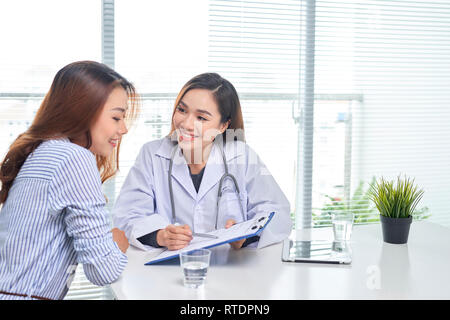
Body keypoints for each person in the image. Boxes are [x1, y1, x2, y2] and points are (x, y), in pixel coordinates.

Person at [0, 61, 139, 300]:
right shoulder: (73, 158)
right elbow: (102, 271)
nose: (124, 129)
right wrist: (117, 243)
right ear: (83, 113)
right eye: (116, 118)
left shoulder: (41, 151)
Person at [113, 72, 292, 252]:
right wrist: (160, 235)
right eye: (182, 110)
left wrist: (246, 235)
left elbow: (278, 214)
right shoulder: (152, 154)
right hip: (168, 271)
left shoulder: (242, 157)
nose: (187, 124)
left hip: (233, 271)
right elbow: (127, 216)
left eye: (201, 118)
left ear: (223, 126)